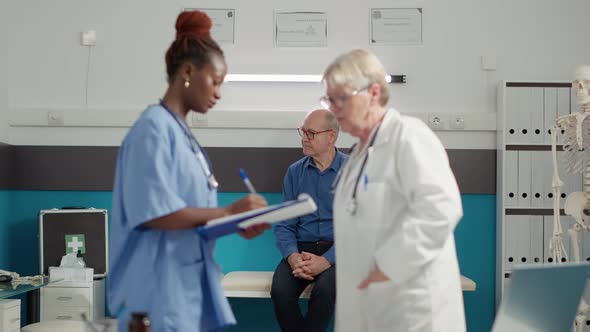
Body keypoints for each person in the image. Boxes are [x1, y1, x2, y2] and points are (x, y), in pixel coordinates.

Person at [107, 10, 270, 332]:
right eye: (215, 81)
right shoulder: (152, 129)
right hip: (156, 292)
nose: (219, 93)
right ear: (187, 71)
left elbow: (194, 218)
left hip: (184, 288)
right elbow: (153, 213)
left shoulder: (184, 137)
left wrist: (235, 223)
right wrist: (228, 211)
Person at [321, 49, 466, 332]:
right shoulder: (357, 156)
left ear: (374, 92)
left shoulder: (409, 137)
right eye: (329, 100)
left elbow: (440, 209)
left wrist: (386, 268)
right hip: (369, 307)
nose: (333, 108)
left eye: (342, 98)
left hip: (411, 308)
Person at [271, 109, 345, 332]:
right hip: (301, 251)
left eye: (311, 133)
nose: (304, 138)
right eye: (303, 132)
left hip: (340, 251)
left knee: (324, 292)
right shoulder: (294, 172)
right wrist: (293, 258)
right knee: (281, 292)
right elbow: (284, 224)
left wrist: (327, 260)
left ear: (331, 136)